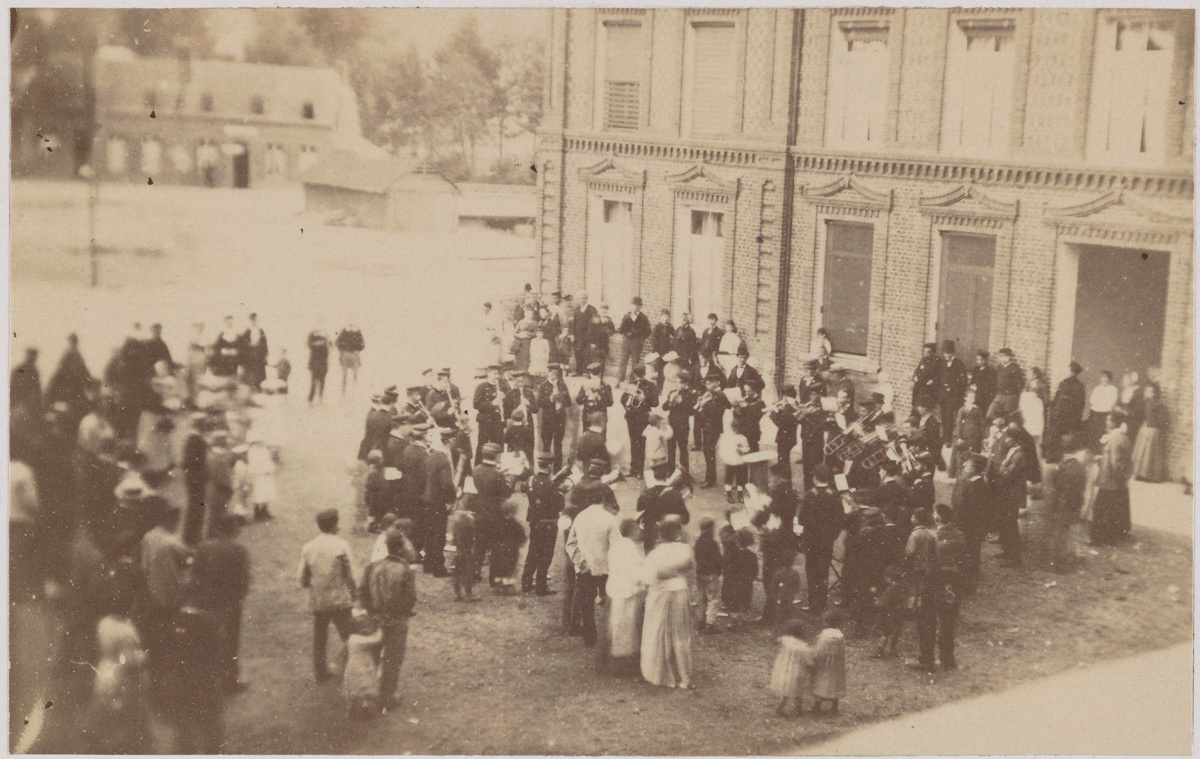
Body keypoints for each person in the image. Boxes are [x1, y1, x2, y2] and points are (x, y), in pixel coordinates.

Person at [162, 585, 225, 753]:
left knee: (183, 725)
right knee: (209, 723)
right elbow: (217, 650)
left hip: (179, 680)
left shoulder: (173, 621)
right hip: (204, 680)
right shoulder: (208, 622)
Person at [358, 530, 417, 712]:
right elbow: (410, 599)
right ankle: (387, 697)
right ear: (400, 548)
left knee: (371, 657)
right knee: (393, 660)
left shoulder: (372, 566)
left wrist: (373, 612)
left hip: (374, 619)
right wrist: (394, 613)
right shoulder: (405, 570)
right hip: (396, 621)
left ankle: (367, 697)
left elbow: (362, 592)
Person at [192, 513, 251, 692]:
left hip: (206, 602)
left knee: (208, 640)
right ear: (232, 529)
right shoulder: (239, 550)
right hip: (229, 602)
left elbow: (195, 575)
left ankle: (209, 680)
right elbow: (244, 579)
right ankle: (229, 680)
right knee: (230, 641)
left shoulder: (202, 548)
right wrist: (238, 597)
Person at [298, 508, 357, 683]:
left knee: (320, 636)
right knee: (350, 636)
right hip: (340, 599)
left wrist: (312, 584)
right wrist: (355, 593)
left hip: (320, 600)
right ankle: (352, 670)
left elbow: (301, 578)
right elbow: (351, 573)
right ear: (335, 524)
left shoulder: (309, 547)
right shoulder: (341, 545)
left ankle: (320, 672)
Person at [639, 515, 695, 689]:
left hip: (661, 593)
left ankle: (660, 672)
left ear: (661, 534)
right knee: (680, 632)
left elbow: (647, 578)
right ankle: (683, 676)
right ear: (677, 533)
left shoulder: (655, 554)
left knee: (658, 630)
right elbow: (691, 569)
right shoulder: (685, 550)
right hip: (679, 590)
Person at [913, 505, 967, 673]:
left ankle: (926, 659)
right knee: (948, 621)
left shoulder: (933, 537)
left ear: (938, 519)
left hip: (935, 581)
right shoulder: (961, 536)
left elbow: (927, 561)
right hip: (954, 582)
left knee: (928, 619)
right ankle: (947, 658)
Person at [565, 478, 619, 647]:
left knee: (586, 604)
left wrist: (580, 561)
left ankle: (589, 638)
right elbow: (616, 545)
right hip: (605, 569)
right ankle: (608, 637)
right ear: (603, 498)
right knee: (608, 603)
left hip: (584, 569)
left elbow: (570, 543)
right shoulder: (609, 519)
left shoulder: (580, 517)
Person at [139, 501, 192, 662]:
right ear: (169, 520)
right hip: (171, 589)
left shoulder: (148, 537)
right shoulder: (172, 541)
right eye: (175, 520)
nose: (177, 523)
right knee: (175, 626)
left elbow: (144, 565)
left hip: (153, 589)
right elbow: (189, 559)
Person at [799, 465, 843, 615]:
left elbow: (802, 519)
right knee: (824, 570)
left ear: (815, 478)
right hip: (827, 540)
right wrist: (832, 535)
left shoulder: (810, 495)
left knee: (811, 571)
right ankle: (822, 603)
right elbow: (840, 519)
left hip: (811, 540)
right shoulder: (835, 495)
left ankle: (813, 604)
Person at [607, 518, 647, 676]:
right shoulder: (630, 548)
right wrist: (644, 582)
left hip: (616, 589)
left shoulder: (617, 546)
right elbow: (636, 573)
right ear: (631, 530)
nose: (639, 531)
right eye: (637, 528)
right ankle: (624, 664)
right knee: (628, 627)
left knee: (618, 626)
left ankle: (619, 660)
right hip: (628, 591)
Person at [986, 419, 1028, 567]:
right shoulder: (1012, 451)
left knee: (1011, 526)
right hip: (1006, 492)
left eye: (1009, 438)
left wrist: (1000, 470)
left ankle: (1015, 558)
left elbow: (1008, 474)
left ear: (1015, 440)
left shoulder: (1019, 454)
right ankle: (1007, 551)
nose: (1006, 440)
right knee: (1005, 523)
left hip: (1011, 494)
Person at [522, 452, 564, 595]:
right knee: (546, 554)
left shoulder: (531, 479)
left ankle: (526, 582)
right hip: (549, 523)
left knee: (533, 551)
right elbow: (559, 506)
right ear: (550, 465)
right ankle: (541, 586)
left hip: (534, 521)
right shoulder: (552, 484)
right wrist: (562, 493)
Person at [1045, 435, 1087, 573]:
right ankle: (1066, 560)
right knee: (1068, 534)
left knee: (1061, 536)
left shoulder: (1064, 467)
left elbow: (1058, 488)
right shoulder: (1080, 467)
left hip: (1064, 505)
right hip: (1074, 505)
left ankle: (1061, 564)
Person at [1090, 412, 1132, 546]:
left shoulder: (1115, 439)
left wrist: (1119, 478)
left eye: (1109, 420)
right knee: (1114, 509)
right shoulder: (1122, 437)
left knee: (1101, 509)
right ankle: (1112, 536)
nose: (1107, 422)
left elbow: (1116, 462)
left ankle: (1098, 538)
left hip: (1110, 481)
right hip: (1116, 482)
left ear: (1115, 422)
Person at [951, 453, 990, 592]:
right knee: (966, 553)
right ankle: (966, 580)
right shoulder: (969, 481)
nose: (964, 466)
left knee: (971, 554)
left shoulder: (977, 486)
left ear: (974, 467)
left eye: (967, 464)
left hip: (970, 527)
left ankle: (970, 584)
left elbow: (976, 511)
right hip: (964, 524)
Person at [636, 461, 691, 551]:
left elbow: (639, 516)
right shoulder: (676, 494)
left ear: (654, 476)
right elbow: (685, 519)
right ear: (667, 475)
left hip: (651, 540)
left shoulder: (644, 495)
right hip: (671, 538)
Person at [342, 612, 383, 720]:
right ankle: (353, 711)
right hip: (359, 667)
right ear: (356, 629)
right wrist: (379, 628)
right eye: (363, 628)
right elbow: (376, 639)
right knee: (361, 687)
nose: (366, 631)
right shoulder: (358, 640)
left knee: (361, 688)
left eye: (368, 627)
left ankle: (360, 709)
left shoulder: (352, 638)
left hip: (361, 665)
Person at [770, 618, 814, 718]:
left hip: (785, 669)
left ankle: (780, 707)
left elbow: (777, 640)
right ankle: (798, 709)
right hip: (797, 671)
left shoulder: (786, 640)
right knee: (798, 691)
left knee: (786, 690)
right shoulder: (803, 647)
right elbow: (808, 661)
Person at [1044, 360, 1086, 462]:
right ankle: (1054, 457)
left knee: (1059, 437)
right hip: (1062, 415)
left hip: (1066, 416)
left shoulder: (1077, 386)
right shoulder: (1066, 383)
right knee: (1057, 437)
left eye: (1069, 370)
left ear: (1073, 372)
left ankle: (1055, 458)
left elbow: (1080, 403)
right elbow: (1057, 398)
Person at [622, 365, 659, 478]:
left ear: (644, 374)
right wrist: (627, 399)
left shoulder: (651, 385)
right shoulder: (631, 384)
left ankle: (639, 470)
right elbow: (622, 400)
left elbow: (655, 403)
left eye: (640, 375)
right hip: (631, 416)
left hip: (642, 417)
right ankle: (632, 469)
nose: (638, 378)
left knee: (641, 443)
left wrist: (645, 398)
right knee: (633, 442)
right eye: (636, 375)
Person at [696, 370, 731, 489]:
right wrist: (701, 403)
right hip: (707, 426)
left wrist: (707, 402)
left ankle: (710, 480)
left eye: (709, 383)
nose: (707, 385)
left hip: (713, 428)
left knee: (709, 452)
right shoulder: (709, 394)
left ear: (716, 383)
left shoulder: (720, 395)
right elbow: (699, 409)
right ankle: (709, 478)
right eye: (706, 383)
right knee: (707, 452)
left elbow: (720, 409)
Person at [536, 364, 572, 471]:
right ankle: (545, 470)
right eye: (552, 372)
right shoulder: (542, 386)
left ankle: (557, 471)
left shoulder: (562, 385)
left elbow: (568, 402)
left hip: (559, 419)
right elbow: (539, 402)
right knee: (546, 445)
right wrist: (550, 399)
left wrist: (561, 401)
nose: (553, 374)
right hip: (548, 420)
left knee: (558, 446)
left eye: (555, 372)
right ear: (548, 373)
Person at [810, 610, 847, 713]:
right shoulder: (840, 635)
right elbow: (842, 651)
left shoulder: (824, 634)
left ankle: (817, 705)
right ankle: (835, 705)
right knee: (835, 682)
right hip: (836, 664)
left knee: (822, 681)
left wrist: (815, 658)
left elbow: (819, 649)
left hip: (825, 663)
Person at [1132, 384, 1169, 482]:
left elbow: (1162, 419)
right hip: (1144, 429)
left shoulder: (1159, 404)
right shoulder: (1145, 402)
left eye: (1151, 391)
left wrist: (1154, 424)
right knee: (1141, 452)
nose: (1148, 393)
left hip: (1153, 430)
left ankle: (1150, 476)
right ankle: (1139, 473)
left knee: (1150, 453)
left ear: (1155, 393)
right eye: (1147, 391)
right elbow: (1137, 414)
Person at [722, 528, 758, 628]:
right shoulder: (752, 555)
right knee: (746, 601)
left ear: (737, 540)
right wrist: (750, 578)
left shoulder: (732, 553)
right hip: (746, 583)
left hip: (733, 583)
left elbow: (727, 568)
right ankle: (745, 622)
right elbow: (755, 571)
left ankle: (733, 622)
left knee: (734, 601)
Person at [490, 500, 527, 595]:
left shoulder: (497, 523)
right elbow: (522, 537)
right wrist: (520, 544)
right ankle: (507, 588)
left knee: (497, 568)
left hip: (497, 549)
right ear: (513, 512)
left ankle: (497, 586)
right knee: (509, 569)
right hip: (511, 550)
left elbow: (491, 535)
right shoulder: (515, 524)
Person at [693, 517, 722, 633]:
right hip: (711, 573)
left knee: (701, 598)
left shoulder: (698, 542)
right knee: (713, 599)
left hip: (700, 573)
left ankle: (700, 621)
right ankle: (710, 623)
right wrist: (719, 570)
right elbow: (718, 559)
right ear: (711, 528)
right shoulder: (713, 543)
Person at [949, 387, 985, 478]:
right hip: (964, 434)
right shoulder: (962, 410)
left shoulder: (977, 409)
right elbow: (958, 424)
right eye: (970, 398)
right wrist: (959, 437)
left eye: (974, 398)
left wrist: (983, 437)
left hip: (974, 435)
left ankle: (972, 472)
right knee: (959, 453)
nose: (972, 400)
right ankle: (955, 472)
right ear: (965, 398)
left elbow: (981, 423)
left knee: (973, 453)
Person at [939, 340, 969, 447]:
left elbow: (963, 381)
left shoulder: (959, 364)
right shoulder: (943, 364)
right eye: (945, 353)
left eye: (949, 353)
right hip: (943, 395)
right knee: (943, 416)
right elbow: (940, 378)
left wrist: (951, 388)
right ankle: (943, 437)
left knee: (949, 417)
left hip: (953, 397)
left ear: (953, 353)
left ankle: (948, 439)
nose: (946, 355)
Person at [615, 296, 651, 382]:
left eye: (637, 305)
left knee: (635, 362)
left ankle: (633, 379)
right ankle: (620, 379)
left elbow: (648, 330)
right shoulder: (627, 316)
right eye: (634, 305)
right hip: (626, 341)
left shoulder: (643, 318)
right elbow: (621, 329)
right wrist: (627, 334)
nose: (635, 307)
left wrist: (641, 338)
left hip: (637, 342)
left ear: (640, 307)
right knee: (623, 360)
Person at [450, 509, 479, 602]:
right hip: (467, 553)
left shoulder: (457, 530)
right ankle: (468, 593)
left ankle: (457, 593)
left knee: (456, 574)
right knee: (468, 573)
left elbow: (454, 541)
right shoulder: (469, 532)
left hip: (458, 553)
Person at [771, 385, 801, 473]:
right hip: (789, 437)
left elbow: (780, 423)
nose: (783, 398)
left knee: (783, 462)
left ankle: (784, 483)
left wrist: (774, 412)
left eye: (784, 396)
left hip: (785, 437)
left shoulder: (789, 407)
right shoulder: (794, 405)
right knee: (784, 460)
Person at [988, 348, 1024, 420]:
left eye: (1004, 356)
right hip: (999, 395)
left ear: (1009, 357)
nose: (1002, 358)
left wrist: (1016, 397)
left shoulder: (1014, 368)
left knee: (1008, 417)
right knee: (989, 415)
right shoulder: (999, 367)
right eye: (1000, 356)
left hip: (1010, 396)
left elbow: (1020, 384)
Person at [1088, 370, 1119, 447]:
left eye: (1106, 377)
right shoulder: (1097, 388)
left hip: (1105, 413)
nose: (1104, 379)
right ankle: (1093, 448)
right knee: (1093, 431)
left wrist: (1100, 402)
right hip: (1095, 412)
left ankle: (1101, 449)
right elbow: (1092, 400)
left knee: (1102, 431)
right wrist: (1100, 402)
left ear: (1109, 379)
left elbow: (1111, 402)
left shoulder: (1112, 389)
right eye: (1103, 377)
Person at [571, 294, 600, 374]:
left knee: (587, 354)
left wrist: (594, 339)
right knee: (578, 353)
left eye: (584, 298)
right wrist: (572, 334)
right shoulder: (577, 309)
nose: (582, 300)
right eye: (580, 298)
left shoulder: (592, 309)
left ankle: (587, 372)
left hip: (588, 337)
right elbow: (574, 322)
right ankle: (578, 371)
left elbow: (596, 324)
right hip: (578, 336)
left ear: (587, 299)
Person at [239, 314, 268, 389]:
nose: (254, 322)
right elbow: (242, 345)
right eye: (252, 320)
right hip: (250, 356)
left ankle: (259, 387)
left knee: (259, 373)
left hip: (259, 355)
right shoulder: (247, 331)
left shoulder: (260, 330)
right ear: (250, 321)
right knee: (250, 373)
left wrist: (265, 355)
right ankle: (250, 388)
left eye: (255, 320)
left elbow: (264, 344)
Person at [335, 323, 366, 396]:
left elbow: (362, 344)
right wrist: (342, 351)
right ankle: (343, 393)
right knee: (344, 375)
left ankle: (353, 393)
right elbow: (337, 342)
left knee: (355, 375)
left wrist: (358, 350)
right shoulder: (344, 330)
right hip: (345, 355)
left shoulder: (357, 331)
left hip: (354, 355)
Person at [649, 309, 675, 392]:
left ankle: (664, 387)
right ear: (661, 317)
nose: (666, 318)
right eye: (664, 316)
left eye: (667, 316)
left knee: (666, 369)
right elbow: (653, 340)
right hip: (659, 352)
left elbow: (674, 335)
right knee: (659, 370)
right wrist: (656, 352)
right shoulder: (657, 327)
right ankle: (659, 387)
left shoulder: (669, 327)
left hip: (666, 352)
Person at [912, 342, 940, 410]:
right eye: (924, 351)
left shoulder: (937, 362)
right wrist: (915, 376)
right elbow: (917, 370)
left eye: (927, 352)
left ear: (932, 353)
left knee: (924, 408)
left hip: (928, 390)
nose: (924, 354)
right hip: (918, 389)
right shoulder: (923, 359)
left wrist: (932, 381)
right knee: (915, 407)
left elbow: (939, 375)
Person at [969, 351, 997, 419]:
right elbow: (972, 381)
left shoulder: (991, 371)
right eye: (977, 359)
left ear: (986, 360)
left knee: (982, 415)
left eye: (981, 359)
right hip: (975, 396)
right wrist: (971, 385)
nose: (979, 362)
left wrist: (978, 388)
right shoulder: (976, 369)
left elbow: (990, 387)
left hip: (984, 398)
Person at [307, 326, 331, 405]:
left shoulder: (325, 334)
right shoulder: (312, 334)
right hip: (315, 362)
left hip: (323, 362)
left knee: (322, 381)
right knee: (314, 381)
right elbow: (309, 344)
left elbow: (330, 345)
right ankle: (310, 399)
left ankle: (320, 398)